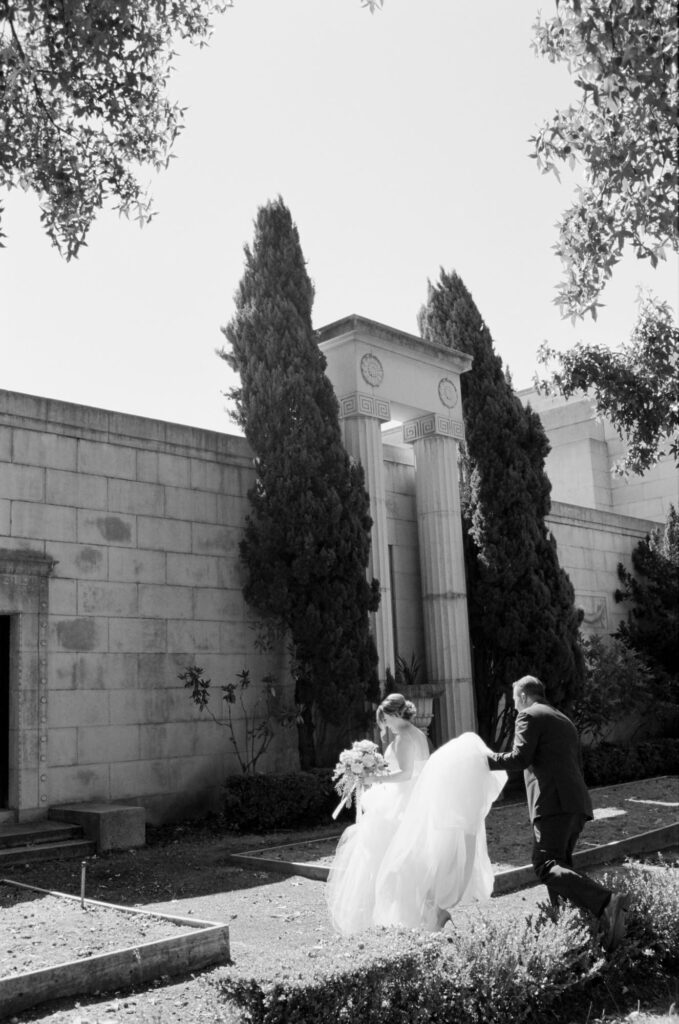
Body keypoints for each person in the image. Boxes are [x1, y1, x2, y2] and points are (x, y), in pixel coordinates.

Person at [326, 692, 507, 935]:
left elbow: (405, 774)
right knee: (417, 861)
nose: (386, 724)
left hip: (403, 801)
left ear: (394, 714)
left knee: (390, 859)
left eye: (386, 719)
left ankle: (414, 915)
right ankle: (430, 911)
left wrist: (373, 776)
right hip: (421, 798)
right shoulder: (419, 733)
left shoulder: (402, 738)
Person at [486, 675, 629, 951]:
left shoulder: (529, 715)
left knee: (544, 864)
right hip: (575, 804)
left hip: (552, 804)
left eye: (515, 700)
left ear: (524, 696)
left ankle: (606, 901)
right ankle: (568, 930)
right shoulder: (563, 719)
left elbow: (520, 758)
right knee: (560, 867)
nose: (515, 706)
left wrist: (483, 759)